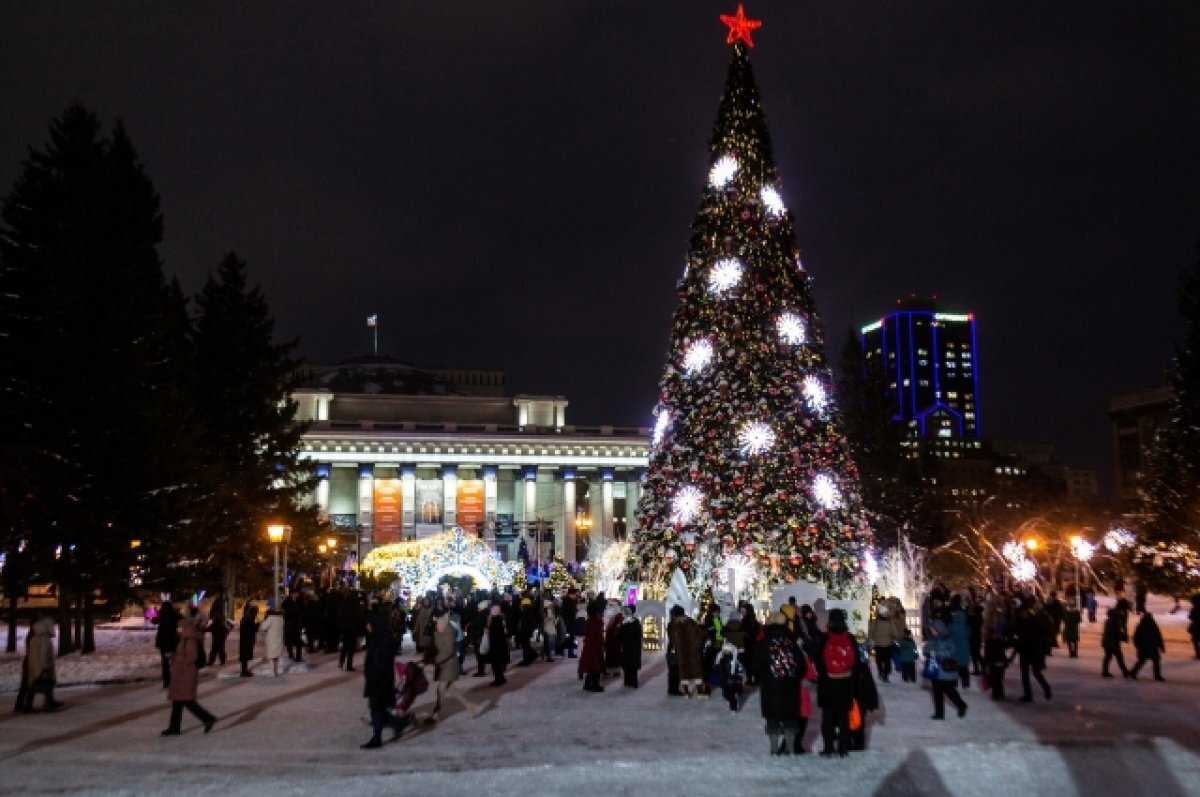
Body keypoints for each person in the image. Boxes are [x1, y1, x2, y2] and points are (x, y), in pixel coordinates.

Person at [161, 612, 217, 736]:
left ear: (186, 627)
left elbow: (192, 657)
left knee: (187, 701)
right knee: (178, 702)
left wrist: (174, 656)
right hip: (182, 673)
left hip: (186, 673)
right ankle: (174, 727)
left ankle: (208, 718)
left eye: (180, 627)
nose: (178, 629)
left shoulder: (190, 639)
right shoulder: (187, 637)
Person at [753, 612, 802, 754]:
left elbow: (755, 666)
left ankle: (774, 749)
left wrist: (764, 675)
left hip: (770, 687)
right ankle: (790, 748)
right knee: (790, 718)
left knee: (772, 718)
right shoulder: (792, 643)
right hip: (790, 687)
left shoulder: (763, 644)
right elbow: (801, 666)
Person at [814, 608, 860, 754]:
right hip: (845, 682)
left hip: (828, 683)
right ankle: (843, 747)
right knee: (843, 716)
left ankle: (828, 748)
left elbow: (818, 659)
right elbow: (857, 661)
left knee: (827, 717)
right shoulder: (850, 638)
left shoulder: (824, 638)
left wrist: (823, 674)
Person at [360, 603, 407, 749]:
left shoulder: (383, 640)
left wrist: (374, 677)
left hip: (380, 680)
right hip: (377, 679)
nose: (367, 627)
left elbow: (382, 663)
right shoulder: (376, 638)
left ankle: (377, 738)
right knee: (378, 708)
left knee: (376, 708)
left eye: (369, 624)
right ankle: (397, 723)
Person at [428, 614, 475, 722]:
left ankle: (436, 714)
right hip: (443, 665)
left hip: (449, 665)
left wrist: (436, 660)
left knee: (441, 689)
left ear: (444, 625)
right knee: (450, 689)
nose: (436, 626)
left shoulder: (449, 633)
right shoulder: (440, 632)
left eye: (438, 624)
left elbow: (448, 651)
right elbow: (436, 646)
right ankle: (468, 705)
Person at [14, 613, 63, 714]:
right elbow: (43, 653)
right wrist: (44, 666)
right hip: (37, 663)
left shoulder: (35, 635)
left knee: (34, 683)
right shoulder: (42, 637)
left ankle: (44, 703)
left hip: (33, 662)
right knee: (38, 683)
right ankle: (41, 704)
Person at [924, 613, 968, 720]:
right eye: (931, 630)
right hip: (935, 669)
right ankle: (939, 713)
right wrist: (928, 652)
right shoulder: (933, 639)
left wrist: (937, 653)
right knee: (937, 692)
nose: (932, 632)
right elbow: (926, 649)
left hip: (945, 670)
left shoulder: (948, 639)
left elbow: (952, 652)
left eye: (934, 630)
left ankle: (961, 705)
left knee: (949, 690)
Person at [1012, 599, 1052, 702]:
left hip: (1034, 650)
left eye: (1024, 612)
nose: (1023, 614)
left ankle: (1046, 687)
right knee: (1024, 674)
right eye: (1021, 613)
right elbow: (1011, 631)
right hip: (1024, 651)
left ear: (1027, 612)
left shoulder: (1034, 621)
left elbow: (1045, 633)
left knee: (1036, 672)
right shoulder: (1018, 622)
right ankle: (1028, 695)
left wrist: (1040, 645)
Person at [667, 604, 704, 699]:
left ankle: (687, 692)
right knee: (696, 670)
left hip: (681, 651)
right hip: (693, 651)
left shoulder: (673, 624)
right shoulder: (691, 622)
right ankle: (700, 691)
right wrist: (697, 645)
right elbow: (699, 635)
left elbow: (672, 639)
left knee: (684, 671)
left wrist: (674, 648)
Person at [579, 600, 607, 692]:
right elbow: (598, 635)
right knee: (596, 666)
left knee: (590, 666)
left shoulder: (588, 621)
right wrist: (603, 643)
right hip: (595, 647)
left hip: (588, 646)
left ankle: (587, 684)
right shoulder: (597, 621)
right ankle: (595, 685)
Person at [1130, 611, 1166, 681]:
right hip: (1152, 646)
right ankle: (1157, 675)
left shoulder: (1140, 626)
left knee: (1142, 660)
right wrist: (1161, 646)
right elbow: (1158, 636)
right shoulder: (1153, 625)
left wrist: (1137, 645)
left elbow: (1136, 637)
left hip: (1144, 647)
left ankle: (1133, 672)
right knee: (1155, 661)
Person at [867, 601, 897, 683]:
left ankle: (885, 674)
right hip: (879, 643)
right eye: (885, 613)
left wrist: (895, 635)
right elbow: (871, 631)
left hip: (887, 643)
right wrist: (870, 640)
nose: (886, 614)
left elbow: (894, 630)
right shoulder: (875, 621)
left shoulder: (889, 620)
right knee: (880, 660)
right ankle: (882, 672)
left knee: (886, 660)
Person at [154, 598, 181, 689]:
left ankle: (167, 681)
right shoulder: (174, 614)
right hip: (173, 640)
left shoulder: (161, 615)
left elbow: (154, 621)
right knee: (175, 661)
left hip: (163, 641)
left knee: (165, 662)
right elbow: (182, 618)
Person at [1101, 607, 1132, 678]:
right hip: (1112, 643)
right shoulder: (1114, 622)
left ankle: (1105, 671)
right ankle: (1124, 672)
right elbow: (1117, 633)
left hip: (1108, 642)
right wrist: (1124, 638)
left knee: (1109, 657)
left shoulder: (1109, 621)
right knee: (1118, 657)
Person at [486, 605, 510, 687]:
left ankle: (498, 679)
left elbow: (493, 635)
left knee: (495, 664)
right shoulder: (501, 619)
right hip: (501, 645)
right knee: (498, 663)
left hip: (495, 646)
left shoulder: (494, 622)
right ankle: (501, 678)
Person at [619, 605, 642, 688]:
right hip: (632, 646)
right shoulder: (635, 621)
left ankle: (630, 681)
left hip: (629, 646)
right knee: (631, 665)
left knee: (630, 665)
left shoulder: (628, 621)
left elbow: (621, 634)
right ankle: (630, 681)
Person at [718, 643, 744, 712]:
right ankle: (731, 699)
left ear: (730, 651)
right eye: (724, 651)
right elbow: (720, 670)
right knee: (725, 694)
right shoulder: (722, 660)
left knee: (732, 695)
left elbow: (740, 670)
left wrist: (738, 678)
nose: (725, 652)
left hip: (732, 680)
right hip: (724, 680)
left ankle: (733, 708)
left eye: (727, 651)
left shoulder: (735, 660)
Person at [259, 608, 285, 677]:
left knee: (271, 656)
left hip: (272, 639)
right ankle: (275, 671)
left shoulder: (270, 618)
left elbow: (263, 627)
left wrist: (262, 623)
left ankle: (272, 672)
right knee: (276, 656)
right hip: (279, 638)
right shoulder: (281, 619)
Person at [281, 588, 305, 663]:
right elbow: (285, 612)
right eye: (295, 593)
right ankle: (290, 654)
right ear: (291, 594)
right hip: (289, 624)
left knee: (298, 641)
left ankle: (298, 657)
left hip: (297, 624)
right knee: (289, 641)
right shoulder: (286, 602)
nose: (296, 595)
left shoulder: (299, 601)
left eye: (297, 593)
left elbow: (303, 610)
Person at [207, 594, 231, 667]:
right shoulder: (223, 603)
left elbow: (212, 614)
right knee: (220, 646)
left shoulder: (218, 604)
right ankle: (222, 660)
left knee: (215, 647)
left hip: (218, 631)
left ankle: (213, 660)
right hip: (221, 631)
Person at [238, 603, 259, 677]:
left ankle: (244, 670)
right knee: (245, 656)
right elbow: (253, 629)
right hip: (247, 640)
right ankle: (244, 671)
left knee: (245, 656)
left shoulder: (246, 618)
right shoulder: (248, 619)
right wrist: (257, 625)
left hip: (246, 639)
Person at [604, 600, 624, 678]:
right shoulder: (617, 614)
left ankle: (614, 670)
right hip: (611, 637)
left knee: (613, 653)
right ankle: (611, 669)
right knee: (611, 653)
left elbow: (618, 625)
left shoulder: (618, 615)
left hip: (614, 637)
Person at [1190, 594, 1200, 660]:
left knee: (1195, 640)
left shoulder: (1194, 608)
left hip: (1196, 627)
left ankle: (1198, 654)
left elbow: (1191, 617)